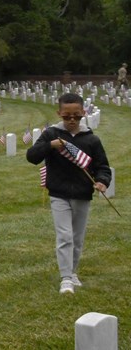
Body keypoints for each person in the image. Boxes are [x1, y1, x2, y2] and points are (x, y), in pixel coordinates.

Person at [26, 93, 112, 294]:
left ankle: (73, 272)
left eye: (77, 116)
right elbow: (32, 156)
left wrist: (102, 181)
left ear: (83, 113)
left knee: (77, 237)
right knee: (65, 236)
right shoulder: (51, 134)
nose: (72, 120)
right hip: (58, 193)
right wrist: (50, 146)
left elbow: (103, 167)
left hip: (82, 194)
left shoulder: (92, 139)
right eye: (66, 116)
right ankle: (65, 278)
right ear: (59, 114)